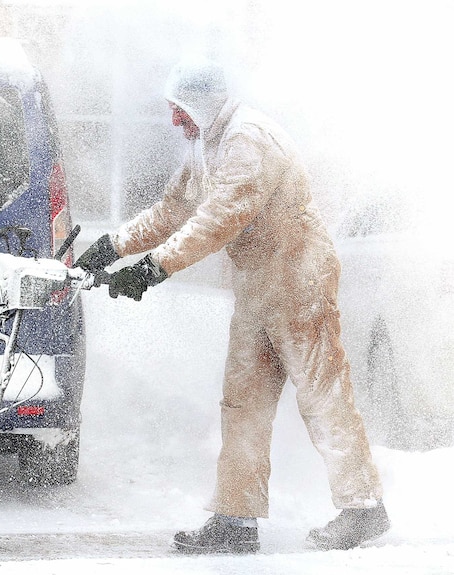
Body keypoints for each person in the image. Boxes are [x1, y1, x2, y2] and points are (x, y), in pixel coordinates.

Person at [75, 58, 390, 554]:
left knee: (321, 393)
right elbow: (173, 210)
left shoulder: (248, 140)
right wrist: (112, 247)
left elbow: (219, 219)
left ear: (201, 104)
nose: (174, 121)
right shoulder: (207, 144)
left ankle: (363, 507)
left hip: (297, 277)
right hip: (256, 283)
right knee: (243, 401)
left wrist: (153, 268)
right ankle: (236, 519)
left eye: (179, 110)